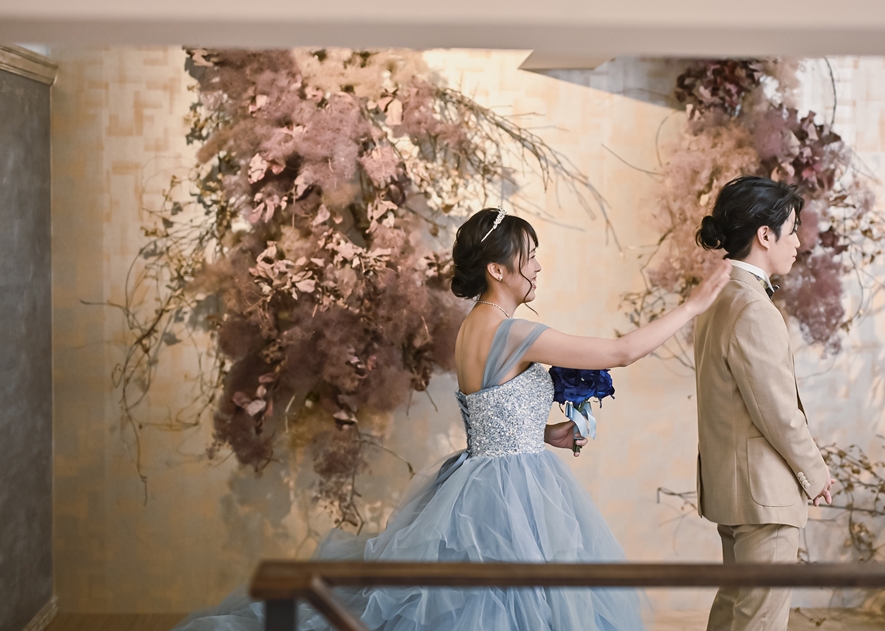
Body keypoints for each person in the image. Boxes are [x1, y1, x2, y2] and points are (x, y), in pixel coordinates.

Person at [173, 206, 730, 631]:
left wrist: (543, 432)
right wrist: (695, 304)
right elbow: (621, 352)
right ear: (497, 269)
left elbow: (491, 412)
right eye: (529, 256)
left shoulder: (472, 328)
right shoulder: (512, 332)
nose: (538, 266)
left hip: (477, 481)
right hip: (512, 496)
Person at [692, 176, 835, 631]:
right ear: (765, 235)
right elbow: (777, 412)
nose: (798, 242)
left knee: (733, 612)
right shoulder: (752, 308)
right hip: (764, 497)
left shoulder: (716, 299)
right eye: (792, 230)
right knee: (759, 621)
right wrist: (815, 471)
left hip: (733, 490)